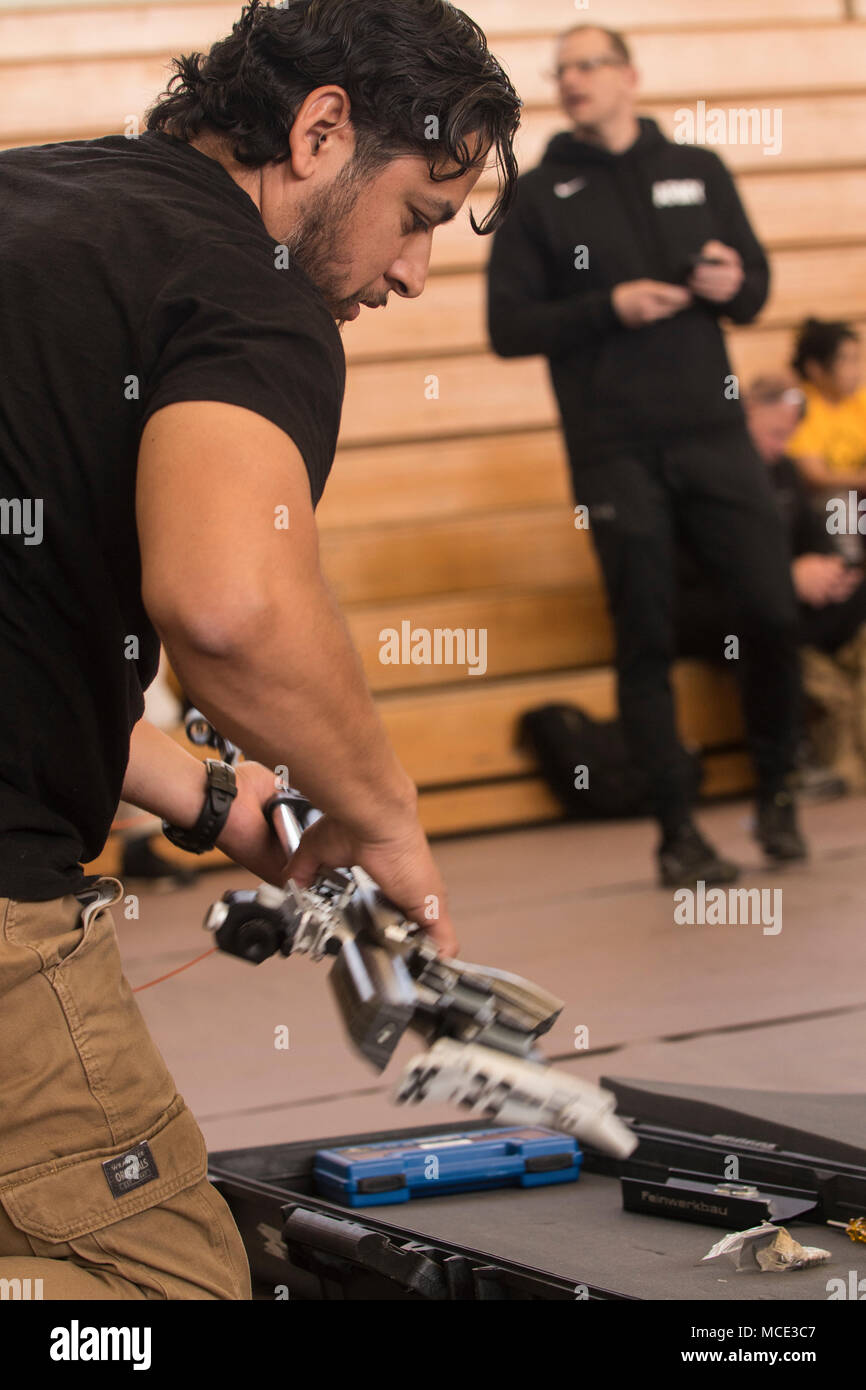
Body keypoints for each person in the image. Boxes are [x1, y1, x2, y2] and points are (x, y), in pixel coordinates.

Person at [0, 0, 519, 1299]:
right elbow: (229, 605)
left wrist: (212, 789)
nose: (412, 275)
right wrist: (379, 809)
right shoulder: (248, 285)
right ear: (321, 130)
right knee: (167, 1284)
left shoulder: (33, 202)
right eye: (416, 216)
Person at [487, 22, 805, 887]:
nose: (574, 79)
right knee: (646, 634)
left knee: (774, 610)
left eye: (590, 64)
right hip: (613, 449)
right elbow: (507, 328)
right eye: (563, 70)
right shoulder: (539, 194)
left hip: (715, 432)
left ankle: (778, 789)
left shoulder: (697, 170)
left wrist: (733, 285)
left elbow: (760, 286)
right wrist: (607, 305)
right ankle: (677, 832)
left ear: (628, 74)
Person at [677, 376, 866, 792]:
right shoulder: (705, 479)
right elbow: (708, 569)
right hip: (718, 612)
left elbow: (815, 535)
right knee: (765, 625)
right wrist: (785, 579)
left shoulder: (783, 470)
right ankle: (788, 763)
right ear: (743, 418)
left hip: (786, 600)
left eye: (790, 435)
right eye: (775, 434)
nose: (784, 444)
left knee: (856, 597)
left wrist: (831, 570)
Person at [787, 319, 866, 493]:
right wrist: (861, 478)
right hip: (823, 497)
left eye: (856, 360)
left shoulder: (860, 400)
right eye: (845, 360)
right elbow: (816, 476)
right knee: (840, 502)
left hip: (858, 490)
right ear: (815, 368)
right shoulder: (799, 406)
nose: (855, 372)